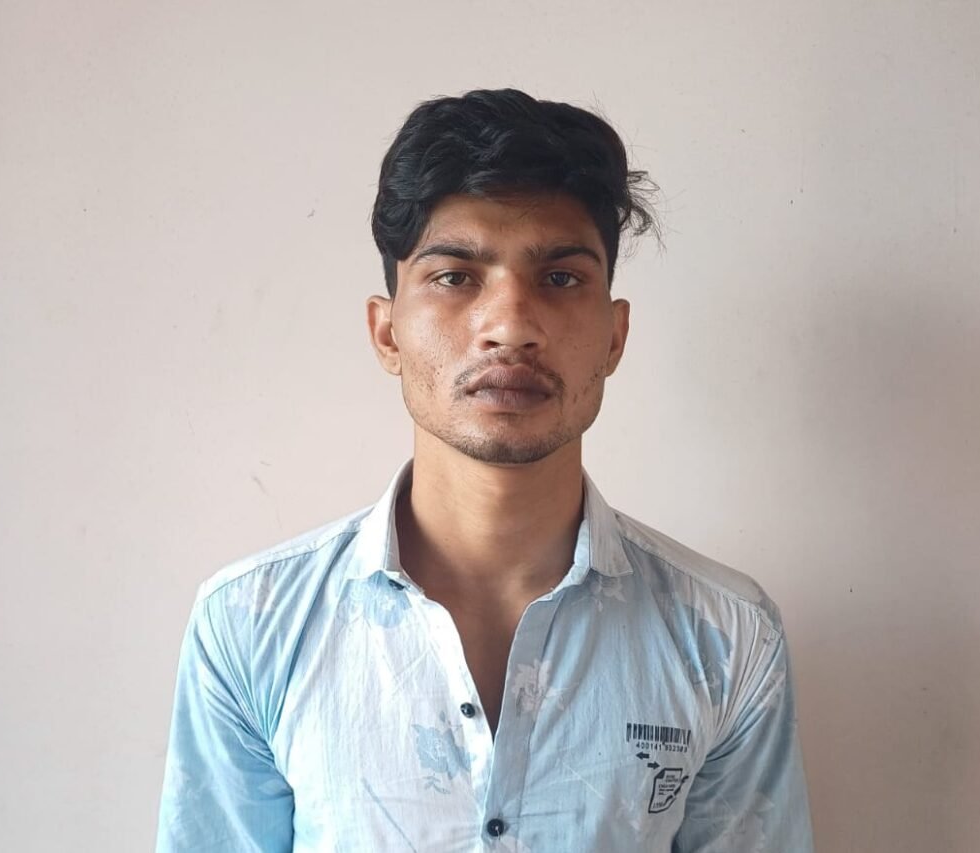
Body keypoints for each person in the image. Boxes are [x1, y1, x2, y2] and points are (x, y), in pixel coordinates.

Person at [156, 88, 815, 852]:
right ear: (387, 332)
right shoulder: (253, 625)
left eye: (560, 278)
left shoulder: (726, 636)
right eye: (455, 276)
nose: (510, 325)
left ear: (614, 336)